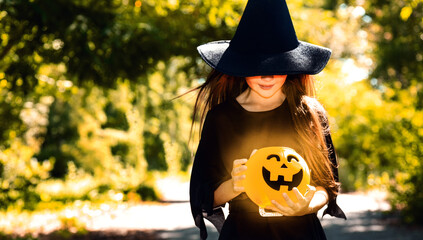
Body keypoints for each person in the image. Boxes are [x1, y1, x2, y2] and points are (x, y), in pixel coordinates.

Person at [189, 0, 346, 239]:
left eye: (277, 64)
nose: (267, 75)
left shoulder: (310, 114)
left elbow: (327, 186)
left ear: (291, 64)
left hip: (302, 233)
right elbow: (204, 195)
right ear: (241, 65)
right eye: (257, 65)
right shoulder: (221, 118)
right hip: (242, 233)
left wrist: (307, 204)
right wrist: (235, 185)